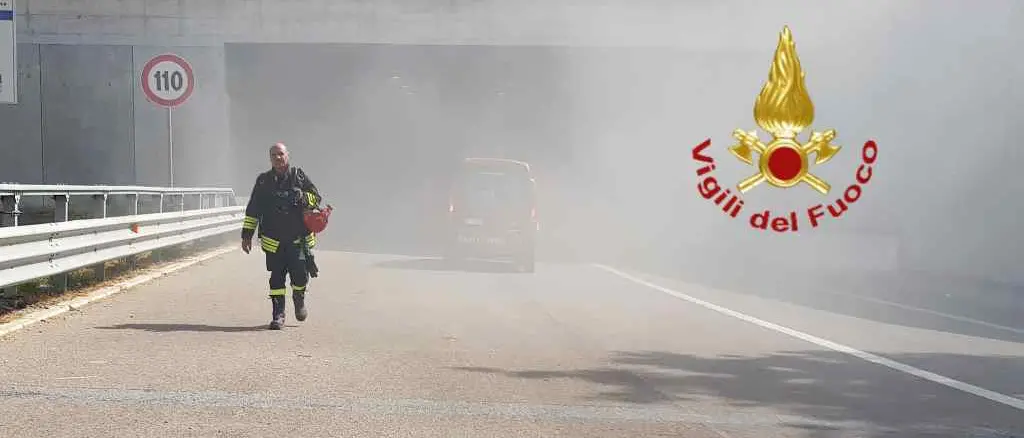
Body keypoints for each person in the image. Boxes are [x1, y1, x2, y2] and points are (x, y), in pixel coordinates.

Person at [241, 142, 323, 330]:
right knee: (276, 279)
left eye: (281, 154)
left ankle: (299, 298)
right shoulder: (263, 181)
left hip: (298, 240)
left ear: (287, 155)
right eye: (274, 155)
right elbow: (253, 210)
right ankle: (278, 315)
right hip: (274, 241)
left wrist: (303, 197)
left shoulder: (299, 177)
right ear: (270, 159)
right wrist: (247, 236)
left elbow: (317, 198)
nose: (278, 158)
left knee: (300, 276)